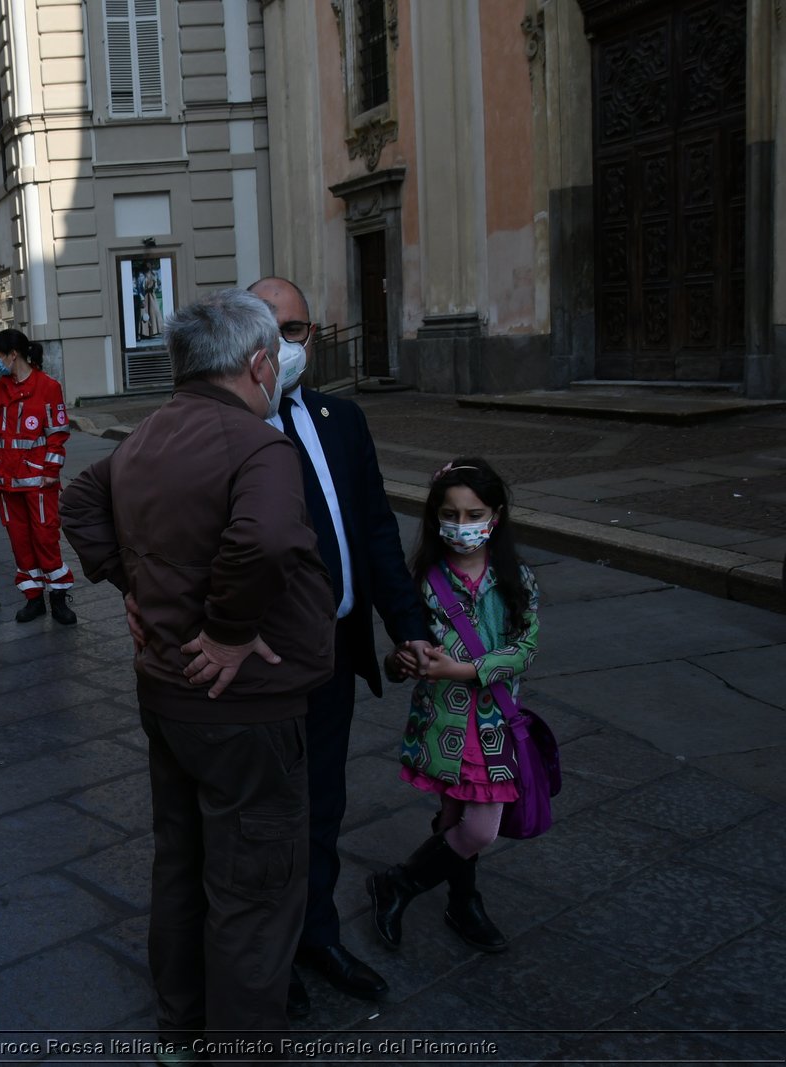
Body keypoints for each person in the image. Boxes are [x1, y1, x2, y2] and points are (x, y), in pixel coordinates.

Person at [62, 289, 335, 1041]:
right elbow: (270, 537)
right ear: (257, 365)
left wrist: (132, 583)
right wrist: (228, 629)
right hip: (244, 704)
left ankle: (181, 1036)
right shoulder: (260, 445)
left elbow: (80, 502)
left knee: (181, 869)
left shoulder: (145, 435)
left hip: (167, 695)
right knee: (254, 892)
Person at [248, 275, 432, 1016]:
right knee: (267, 812)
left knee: (324, 802)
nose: (287, 347)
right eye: (271, 333)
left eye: (297, 332)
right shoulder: (227, 427)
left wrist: (409, 624)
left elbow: (377, 530)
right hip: (260, 661)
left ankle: (315, 932)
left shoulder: (342, 418)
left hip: (332, 652)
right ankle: (269, 953)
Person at [368, 457, 539, 956]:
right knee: (452, 819)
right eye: (451, 514)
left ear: (496, 516)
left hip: (493, 729)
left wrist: (463, 671)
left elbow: (525, 651)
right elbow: (403, 652)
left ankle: (399, 883)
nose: (462, 526)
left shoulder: (516, 579)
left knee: (481, 827)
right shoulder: (420, 582)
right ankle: (464, 903)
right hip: (439, 725)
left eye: (474, 514)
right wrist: (401, 661)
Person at [0, 329, 76, 626]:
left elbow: (57, 435)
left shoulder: (47, 386)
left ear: (13, 354)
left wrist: (50, 472)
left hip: (38, 482)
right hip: (7, 483)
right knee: (19, 540)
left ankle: (58, 598)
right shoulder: (0, 389)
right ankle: (33, 599)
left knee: (45, 538)